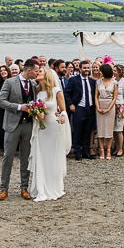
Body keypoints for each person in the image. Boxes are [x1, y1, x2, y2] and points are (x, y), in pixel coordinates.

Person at [0, 58, 41, 200]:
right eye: (36, 71)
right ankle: (4, 188)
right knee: (8, 156)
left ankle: (24, 187)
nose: (37, 73)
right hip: (12, 124)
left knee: (26, 157)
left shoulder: (33, 84)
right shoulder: (10, 82)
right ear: (29, 70)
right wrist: (18, 107)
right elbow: (0, 101)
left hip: (28, 124)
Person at [28, 66, 71, 202]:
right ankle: (41, 187)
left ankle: (54, 187)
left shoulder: (56, 91)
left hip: (52, 126)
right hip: (40, 127)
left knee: (52, 155)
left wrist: (62, 117)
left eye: (40, 71)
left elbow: (63, 110)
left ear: (46, 75)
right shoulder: (36, 92)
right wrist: (35, 114)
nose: (37, 73)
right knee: (41, 155)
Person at [66, 61, 95, 160]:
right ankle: (77, 152)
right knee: (77, 131)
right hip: (79, 108)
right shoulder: (74, 80)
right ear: (80, 69)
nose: (86, 70)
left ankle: (85, 152)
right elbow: (66, 93)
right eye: (84, 68)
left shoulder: (91, 81)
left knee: (87, 131)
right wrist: (70, 104)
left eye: (88, 68)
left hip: (90, 109)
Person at [94, 63, 118, 160]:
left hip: (110, 106)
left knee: (109, 129)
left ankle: (108, 150)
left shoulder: (114, 83)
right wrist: (98, 107)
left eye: (101, 71)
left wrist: (109, 108)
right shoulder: (98, 82)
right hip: (100, 104)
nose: (99, 72)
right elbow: (96, 96)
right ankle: (101, 150)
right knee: (100, 129)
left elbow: (115, 97)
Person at [111, 63, 124, 157]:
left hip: (120, 107)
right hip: (113, 106)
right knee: (114, 130)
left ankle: (121, 148)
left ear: (119, 72)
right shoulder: (113, 81)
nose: (113, 72)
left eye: (115, 71)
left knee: (119, 129)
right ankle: (116, 147)